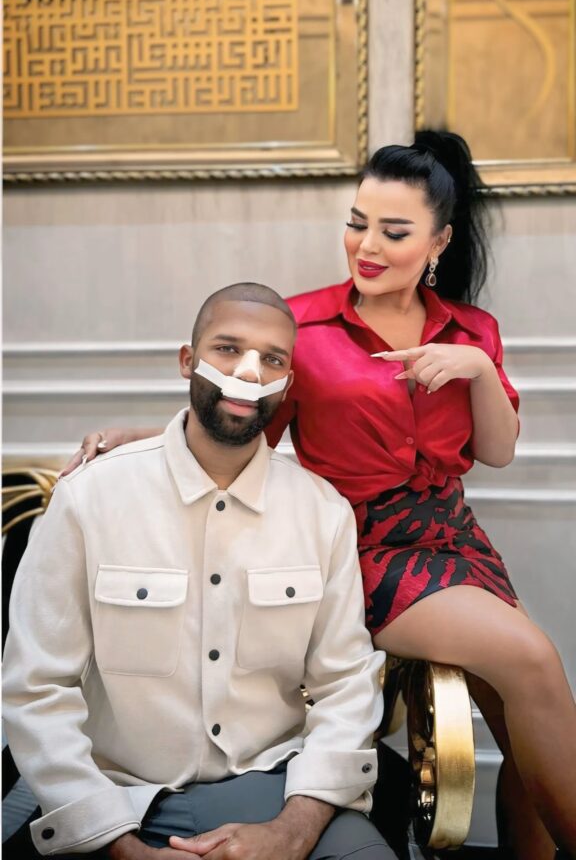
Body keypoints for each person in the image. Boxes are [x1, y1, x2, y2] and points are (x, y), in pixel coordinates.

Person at [63, 132, 576, 860]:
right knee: (535, 665)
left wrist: (477, 369)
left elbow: (496, 451)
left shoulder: (472, 330)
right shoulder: (304, 328)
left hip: (456, 538)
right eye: (357, 223)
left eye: (393, 231)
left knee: (516, 705)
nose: (367, 245)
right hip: (364, 547)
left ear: (438, 241)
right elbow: (243, 424)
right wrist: (138, 437)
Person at [3, 284, 394, 860]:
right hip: (118, 799)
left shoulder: (322, 512)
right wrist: (116, 843)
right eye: (228, 349)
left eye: (272, 359)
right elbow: (36, 687)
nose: (249, 373)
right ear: (188, 360)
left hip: (278, 789)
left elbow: (346, 685)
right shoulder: (89, 498)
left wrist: (294, 830)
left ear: (287, 382)